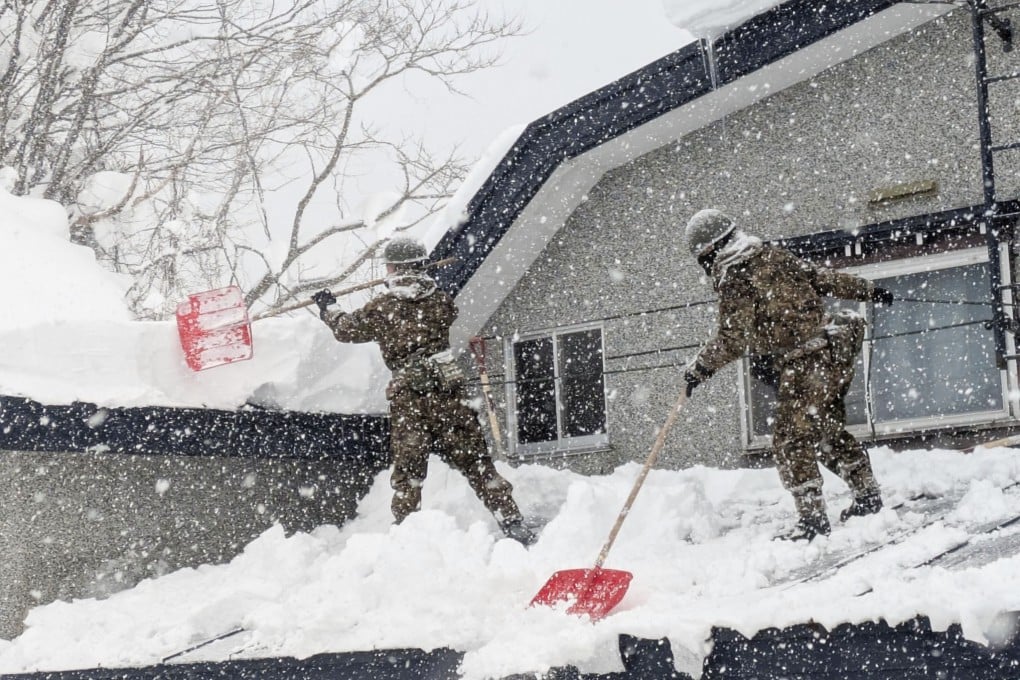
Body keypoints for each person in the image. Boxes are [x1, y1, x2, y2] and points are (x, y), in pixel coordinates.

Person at [682, 209, 891, 541]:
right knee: (827, 431)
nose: (706, 265)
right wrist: (868, 290)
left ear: (715, 248)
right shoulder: (775, 256)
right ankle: (866, 495)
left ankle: (812, 521)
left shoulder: (737, 277)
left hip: (805, 363)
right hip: (831, 357)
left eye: (704, 257)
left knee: (790, 442)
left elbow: (732, 339)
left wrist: (700, 368)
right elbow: (822, 277)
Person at [312, 237, 536, 546]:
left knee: (409, 474)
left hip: (410, 399)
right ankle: (512, 520)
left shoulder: (383, 308)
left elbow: (346, 330)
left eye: (389, 266)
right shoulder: (440, 301)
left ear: (394, 268)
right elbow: (442, 310)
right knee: (476, 462)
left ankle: (407, 536)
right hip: (448, 392)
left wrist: (329, 307)